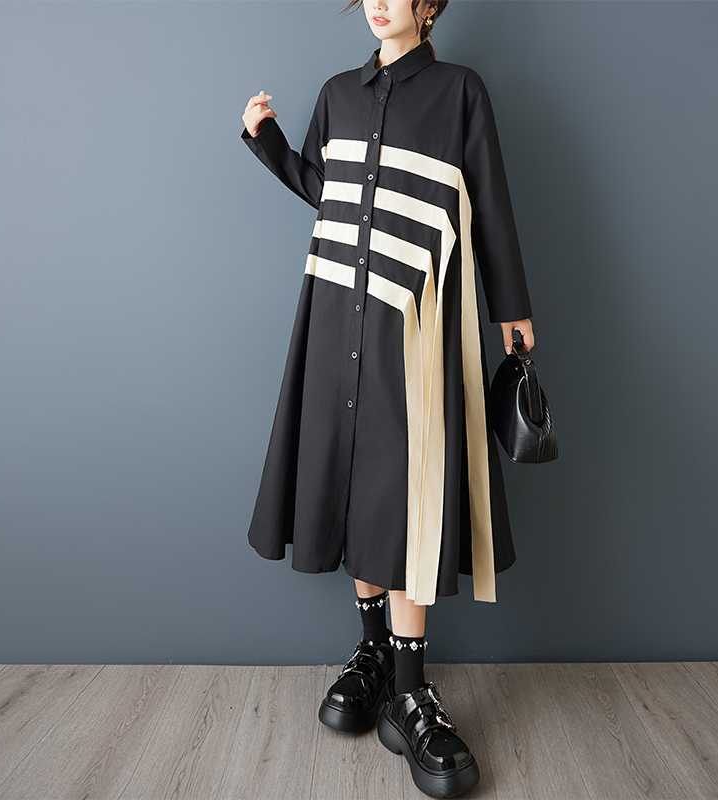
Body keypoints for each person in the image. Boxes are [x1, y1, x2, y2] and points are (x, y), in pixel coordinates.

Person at [240, 1, 535, 796]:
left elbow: (490, 204)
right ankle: (373, 656)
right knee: (351, 482)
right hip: (335, 309)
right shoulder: (337, 93)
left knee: (404, 490)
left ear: (428, 6)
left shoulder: (461, 92)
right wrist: (268, 142)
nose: (378, 2)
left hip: (414, 324)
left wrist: (511, 310)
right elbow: (324, 187)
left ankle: (409, 693)